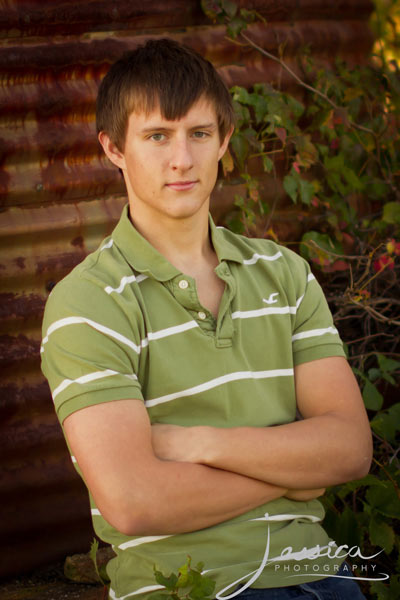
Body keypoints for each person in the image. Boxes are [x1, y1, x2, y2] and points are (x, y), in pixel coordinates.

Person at [41, 38, 373, 600]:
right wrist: (294, 473)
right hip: (189, 587)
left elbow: (348, 450)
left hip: (321, 576)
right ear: (113, 148)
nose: (182, 159)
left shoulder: (284, 273)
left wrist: (198, 443)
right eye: (157, 136)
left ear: (224, 141)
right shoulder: (90, 301)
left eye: (199, 134)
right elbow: (134, 502)